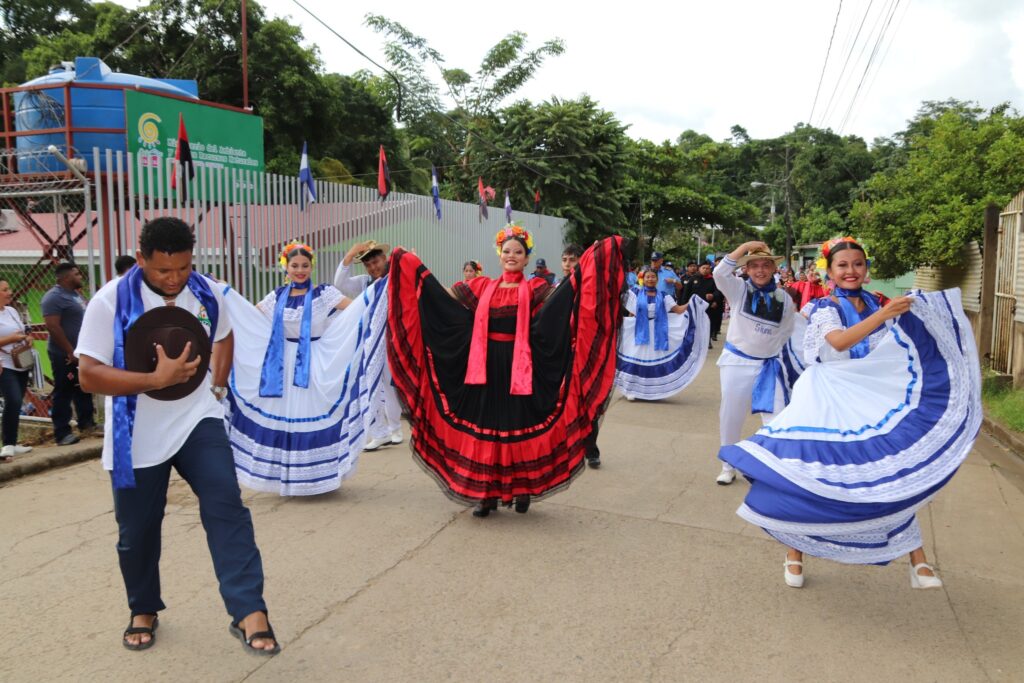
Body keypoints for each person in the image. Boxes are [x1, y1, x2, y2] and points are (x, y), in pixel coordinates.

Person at [719, 237, 980, 589]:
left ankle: (917, 560)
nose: (851, 271)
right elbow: (839, 341)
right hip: (826, 395)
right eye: (842, 265)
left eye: (857, 264)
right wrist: (886, 314)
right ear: (830, 272)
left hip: (865, 395)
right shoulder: (824, 307)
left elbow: (892, 345)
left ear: (866, 269)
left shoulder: (876, 303)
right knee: (811, 473)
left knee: (888, 474)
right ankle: (795, 553)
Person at [76, 217, 279, 654]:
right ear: (141, 258)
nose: (174, 279)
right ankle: (143, 607)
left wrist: (217, 388)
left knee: (226, 505)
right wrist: (155, 380)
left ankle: (249, 611)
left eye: (183, 267)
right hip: (137, 431)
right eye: (163, 270)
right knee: (137, 530)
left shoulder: (206, 292)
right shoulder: (110, 301)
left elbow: (224, 337)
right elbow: (89, 375)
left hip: (197, 419)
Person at [387, 225, 627, 516]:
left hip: (521, 370)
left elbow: (565, 300)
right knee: (488, 428)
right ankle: (485, 496)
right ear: (499, 254)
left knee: (517, 425)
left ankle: (522, 491)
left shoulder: (536, 288)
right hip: (484, 370)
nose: (512, 256)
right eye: (507, 251)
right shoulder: (480, 286)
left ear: (527, 259)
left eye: (518, 252)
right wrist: (414, 269)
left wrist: (591, 263)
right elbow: (441, 296)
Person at [224, 242, 388, 496]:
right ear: (285, 267)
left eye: (304, 265)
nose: (300, 270)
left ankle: (316, 478)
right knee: (286, 421)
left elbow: (357, 308)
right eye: (295, 266)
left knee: (317, 414)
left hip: (315, 363)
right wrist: (225, 294)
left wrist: (381, 288)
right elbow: (250, 316)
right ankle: (289, 478)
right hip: (282, 368)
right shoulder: (276, 296)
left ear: (312, 267)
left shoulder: (324, 294)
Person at [713, 241, 795, 486]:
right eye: (754, 265)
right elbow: (720, 272)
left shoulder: (784, 299)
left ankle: (771, 468)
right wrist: (746, 246)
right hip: (737, 362)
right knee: (731, 415)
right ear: (746, 269)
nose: (760, 270)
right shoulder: (738, 289)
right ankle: (728, 465)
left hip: (768, 366)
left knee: (777, 419)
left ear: (774, 269)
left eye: (765, 265)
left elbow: (787, 332)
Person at [335, 239, 403, 451]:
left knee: (390, 386)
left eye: (376, 262)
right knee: (370, 384)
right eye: (368, 265)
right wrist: (350, 254)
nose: (373, 267)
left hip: (393, 340)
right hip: (370, 341)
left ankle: (395, 428)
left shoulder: (396, 279)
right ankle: (379, 431)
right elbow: (340, 284)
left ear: (385, 259)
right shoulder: (365, 282)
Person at [615, 267, 709, 402]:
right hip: (639, 330)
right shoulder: (634, 293)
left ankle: (653, 390)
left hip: (658, 331)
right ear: (643, 279)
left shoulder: (664, 296)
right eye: (648, 277)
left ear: (657, 279)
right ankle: (630, 389)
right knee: (634, 359)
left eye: (653, 277)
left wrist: (692, 303)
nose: (650, 279)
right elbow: (627, 307)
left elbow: (678, 310)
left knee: (654, 360)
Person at [41, 262, 96, 446]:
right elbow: (52, 326)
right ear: (66, 277)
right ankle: (62, 432)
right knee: (63, 390)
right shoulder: (53, 297)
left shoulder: (75, 294)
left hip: (80, 351)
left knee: (83, 386)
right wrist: (69, 350)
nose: (80, 276)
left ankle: (87, 423)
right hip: (63, 354)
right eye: (76, 274)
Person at [560, 242, 602, 468]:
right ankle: (564, 449)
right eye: (564, 260)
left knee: (587, 403)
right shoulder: (558, 286)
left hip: (584, 353)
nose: (568, 264)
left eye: (573, 260)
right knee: (560, 403)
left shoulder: (589, 287)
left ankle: (591, 450)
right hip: (561, 353)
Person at [0, 280, 34, 461]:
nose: (10, 292)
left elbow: (23, 330)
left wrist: (27, 338)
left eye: (9, 288)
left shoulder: (11, 311)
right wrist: (10, 339)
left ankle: (12, 443)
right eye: (5, 290)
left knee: (17, 401)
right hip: (4, 364)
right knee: (12, 400)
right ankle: (7, 445)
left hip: (20, 361)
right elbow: (11, 337)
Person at [692, 262, 724, 344]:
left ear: (710, 270)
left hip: (709, 306)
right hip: (695, 305)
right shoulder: (693, 279)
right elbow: (687, 292)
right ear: (699, 269)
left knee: (708, 323)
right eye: (703, 268)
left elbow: (718, 292)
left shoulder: (713, 280)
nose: (705, 270)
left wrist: (713, 297)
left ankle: (707, 340)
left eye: (707, 268)